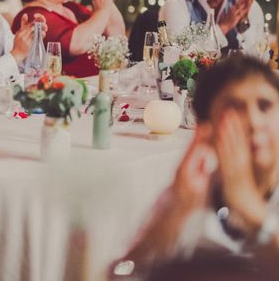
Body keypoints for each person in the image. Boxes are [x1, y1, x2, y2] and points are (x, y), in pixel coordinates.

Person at [114, 55, 279, 279]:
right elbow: (121, 275)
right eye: (235, 109)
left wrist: (252, 212)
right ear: (206, 128)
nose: (253, 121)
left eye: (265, 105)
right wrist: (170, 218)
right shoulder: (190, 193)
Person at [12, 0, 125, 77]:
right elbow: (76, 44)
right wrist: (104, 9)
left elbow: (117, 36)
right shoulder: (33, 16)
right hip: (67, 91)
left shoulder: (73, 8)